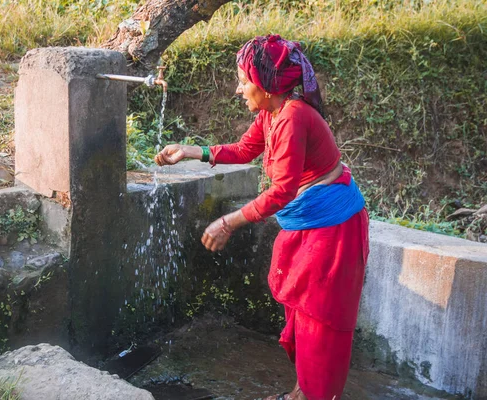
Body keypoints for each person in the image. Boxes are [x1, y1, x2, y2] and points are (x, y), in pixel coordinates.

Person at [154, 34, 369, 400]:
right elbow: (243, 149)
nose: (239, 91)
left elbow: (282, 190)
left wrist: (228, 222)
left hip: (331, 230)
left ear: (266, 87)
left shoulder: (292, 118)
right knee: (302, 316)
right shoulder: (273, 114)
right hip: (310, 225)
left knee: (318, 322)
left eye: (243, 82)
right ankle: (302, 392)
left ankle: (314, 395)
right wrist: (189, 151)